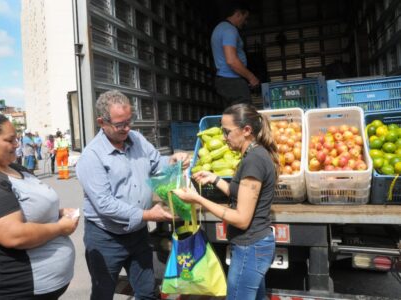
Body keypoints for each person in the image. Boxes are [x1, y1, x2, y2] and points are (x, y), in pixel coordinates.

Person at [76, 90, 190, 300]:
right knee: (103, 293)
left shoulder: (136, 138)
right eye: (120, 125)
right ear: (102, 122)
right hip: (105, 238)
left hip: (137, 235)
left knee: (147, 292)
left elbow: (157, 164)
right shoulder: (91, 157)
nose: (127, 128)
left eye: (130, 121)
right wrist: (148, 215)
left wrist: (173, 160)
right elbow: (105, 205)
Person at [0, 112, 79, 299]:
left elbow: (31, 209)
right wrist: (60, 227)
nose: (17, 145)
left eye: (17, 139)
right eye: (10, 140)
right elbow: (15, 236)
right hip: (12, 288)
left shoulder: (14, 167)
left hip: (43, 286)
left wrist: (58, 213)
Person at [173, 103, 279, 300]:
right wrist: (215, 179)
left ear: (246, 130)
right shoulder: (254, 154)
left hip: (250, 247)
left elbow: (241, 219)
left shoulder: (254, 161)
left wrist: (198, 199)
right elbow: (240, 193)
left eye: (227, 131)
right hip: (255, 245)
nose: (223, 137)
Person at [211, 1, 260, 106]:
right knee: (243, 115)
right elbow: (232, 61)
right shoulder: (229, 30)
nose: (245, 22)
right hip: (232, 81)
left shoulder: (219, 28)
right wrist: (251, 77)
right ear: (238, 13)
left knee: (233, 116)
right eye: (245, 18)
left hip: (225, 81)